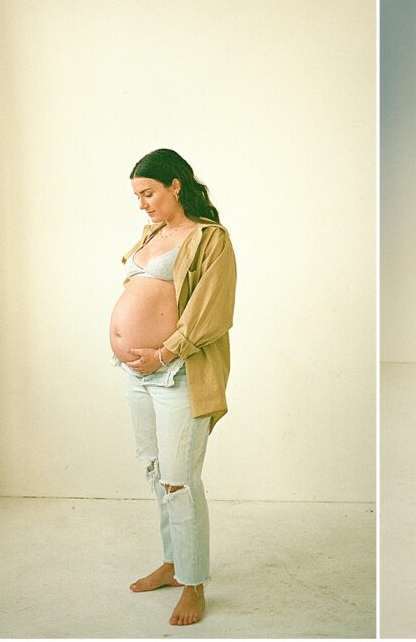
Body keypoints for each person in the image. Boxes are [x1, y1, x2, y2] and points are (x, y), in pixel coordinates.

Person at [108, 148, 237, 626]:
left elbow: (213, 312)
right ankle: (173, 562)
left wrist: (162, 353)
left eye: (148, 193)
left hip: (177, 373)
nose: (142, 203)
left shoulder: (210, 239)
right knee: (156, 469)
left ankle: (194, 582)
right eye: (137, 196)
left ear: (175, 186)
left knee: (180, 480)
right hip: (136, 375)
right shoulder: (154, 233)